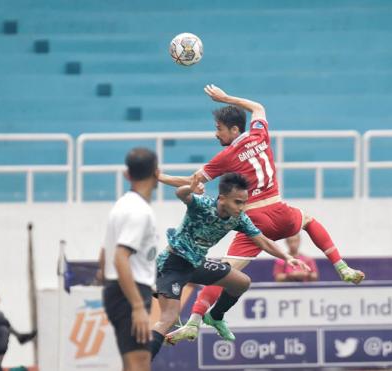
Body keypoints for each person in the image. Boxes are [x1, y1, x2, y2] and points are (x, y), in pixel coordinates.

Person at [158, 84, 364, 340]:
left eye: (218, 129)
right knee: (309, 221)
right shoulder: (260, 135)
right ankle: (342, 267)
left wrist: (160, 176)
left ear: (234, 130)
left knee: (225, 271)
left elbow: (193, 182)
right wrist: (225, 98)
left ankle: (194, 321)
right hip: (281, 211)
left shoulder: (225, 156)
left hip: (253, 218)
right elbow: (258, 107)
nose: (216, 134)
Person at [150, 173, 309, 355]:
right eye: (238, 202)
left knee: (241, 282)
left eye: (244, 202)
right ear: (223, 199)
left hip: (196, 264)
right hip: (173, 263)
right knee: (168, 317)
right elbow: (181, 194)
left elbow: (263, 241)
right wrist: (190, 188)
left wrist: (287, 257)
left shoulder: (239, 218)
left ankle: (215, 316)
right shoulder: (203, 205)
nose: (241, 208)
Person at [102, 147, 161, 371]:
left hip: (120, 290)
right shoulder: (139, 211)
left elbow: (104, 253)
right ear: (157, 173)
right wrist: (137, 306)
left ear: (127, 175)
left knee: (133, 363)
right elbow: (119, 257)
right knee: (139, 363)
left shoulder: (122, 205)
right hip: (130, 292)